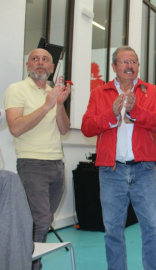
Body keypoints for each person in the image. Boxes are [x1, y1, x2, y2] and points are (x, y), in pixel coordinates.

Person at [81, 46, 156, 270]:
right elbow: (87, 127)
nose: (129, 66)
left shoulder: (152, 91)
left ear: (138, 66)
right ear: (114, 67)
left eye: (134, 62)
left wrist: (134, 111)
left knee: (151, 229)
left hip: (144, 170)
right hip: (111, 172)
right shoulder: (99, 93)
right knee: (113, 230)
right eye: (124, 62)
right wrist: (112, 114)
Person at [3, 48, 71, 270]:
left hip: (56, 165)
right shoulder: (16, 90)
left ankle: (26, 262)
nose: (40, 62)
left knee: (41, 222)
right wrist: (47, 106)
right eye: (35, 59)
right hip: (32, 165)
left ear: (52, 68)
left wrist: (59, 104)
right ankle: (29, 265)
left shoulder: (52, 92)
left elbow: (64, 129)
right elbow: (15, 127)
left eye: (45, 60)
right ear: (27, 66)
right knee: (39, 222)